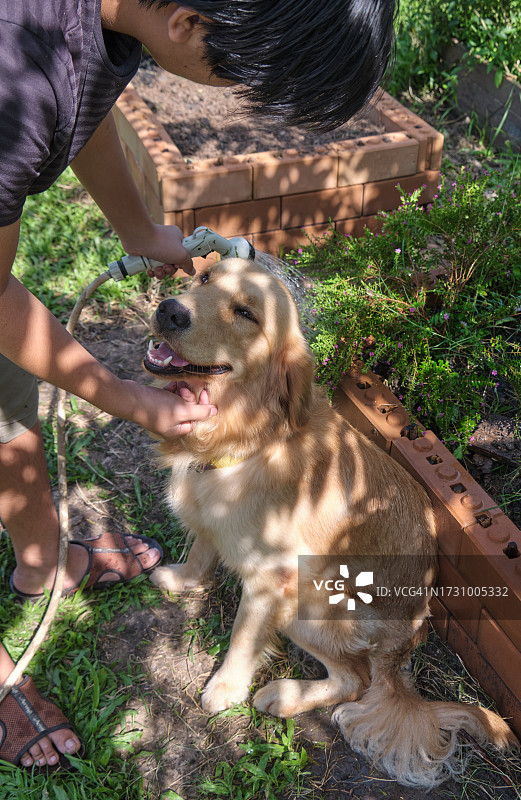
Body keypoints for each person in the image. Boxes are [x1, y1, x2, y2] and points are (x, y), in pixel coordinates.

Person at [0, 0, 397, 770]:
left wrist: (141, 230)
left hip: (355, 598)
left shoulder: (99, 23)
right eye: (240, 75)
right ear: (185, 22)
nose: (232, 94)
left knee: (9, 418)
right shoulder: (14, 62)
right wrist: (124, 397)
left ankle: (44, 565)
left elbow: (84, 102)